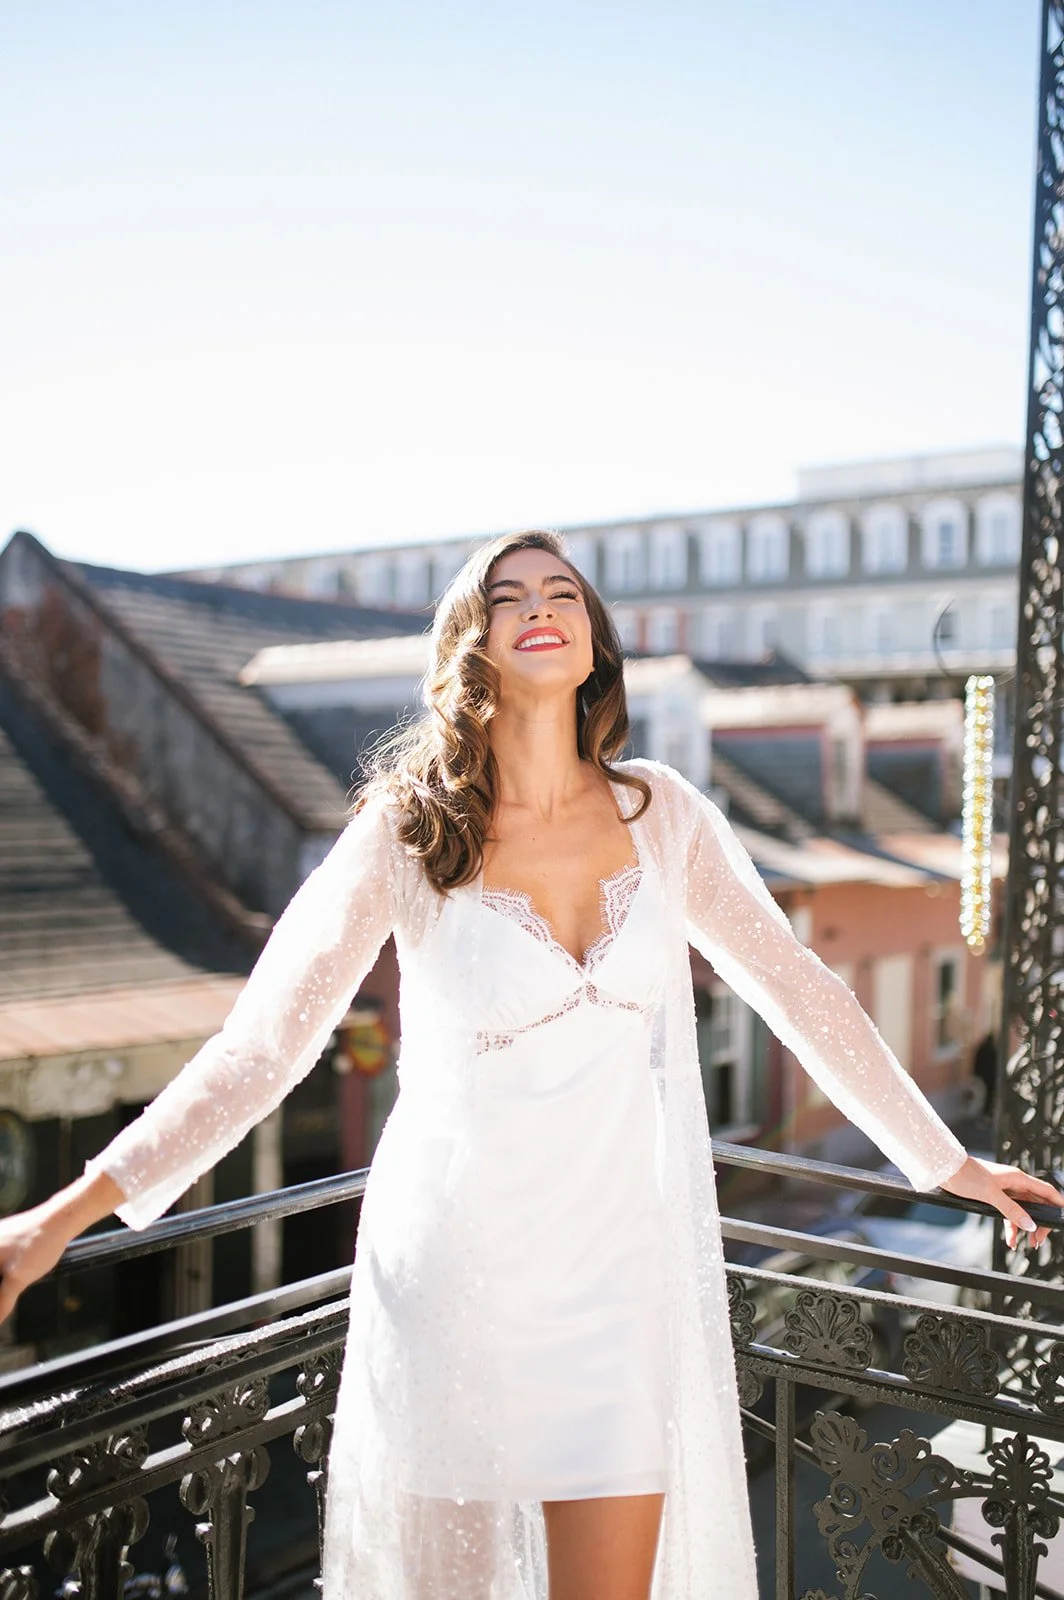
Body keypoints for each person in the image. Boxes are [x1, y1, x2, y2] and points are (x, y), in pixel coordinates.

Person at [0, 529, 1059, 1600]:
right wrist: (61, 1218)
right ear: (474, 641)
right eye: (508, 596)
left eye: (562, 592)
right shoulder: (408, 827)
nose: (540, 606)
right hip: (454, 1277)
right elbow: (262, 1046)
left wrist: (943, 1163)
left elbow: (800, 988)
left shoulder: (663, 816)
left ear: (595, 642)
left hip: (618, 1286)